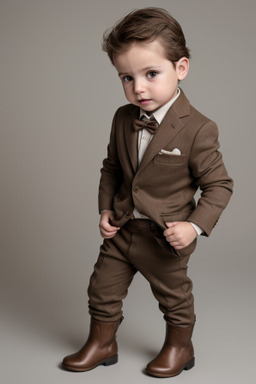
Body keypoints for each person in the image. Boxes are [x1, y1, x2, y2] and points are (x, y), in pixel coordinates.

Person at [62, 7, 233, 378]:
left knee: (174, 299)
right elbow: (111, 168)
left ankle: (179, 346)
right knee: (101, 290)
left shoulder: (199, 128)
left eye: (151, 74)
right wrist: (105, 209)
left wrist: (193, 226)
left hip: (164, 237)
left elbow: (219, 185)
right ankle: (102, 342)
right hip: (123, 229)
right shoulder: (123, 118)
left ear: (181, 68)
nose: (138, 87)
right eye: (126, 77)